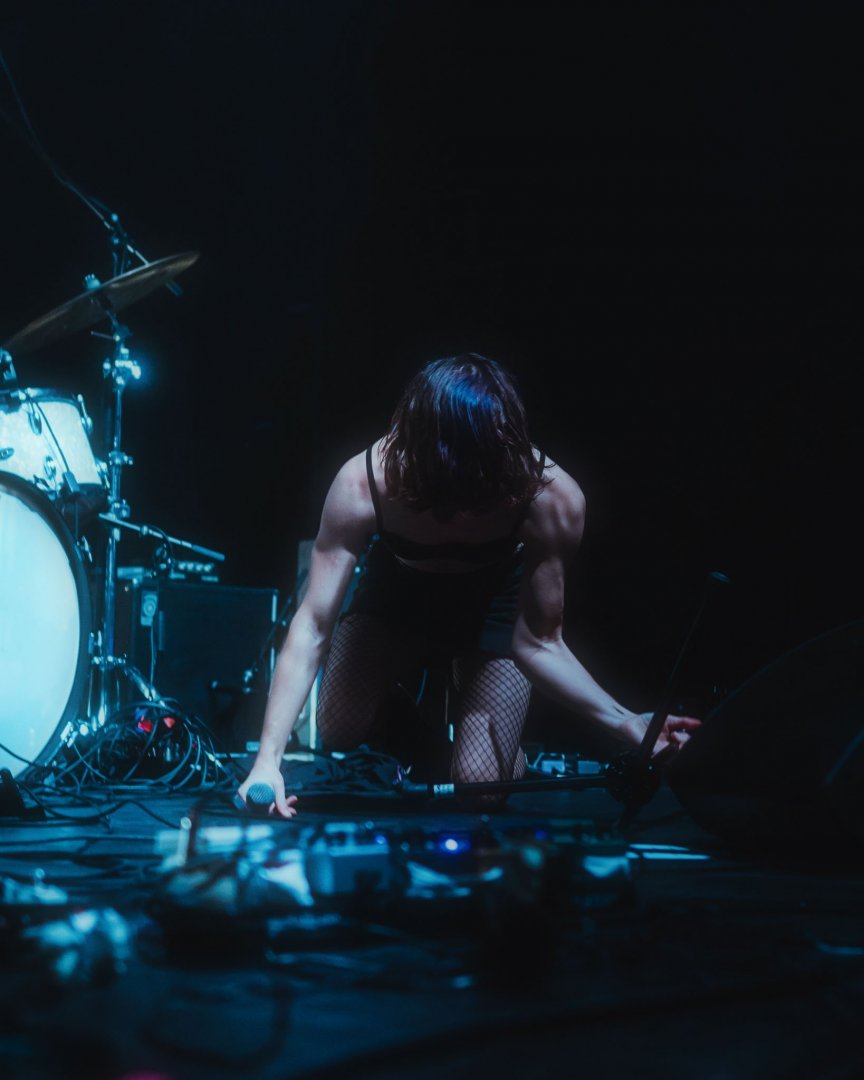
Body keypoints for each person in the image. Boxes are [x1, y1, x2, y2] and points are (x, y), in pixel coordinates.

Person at [237, 353, 699, 817]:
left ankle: (482, 733)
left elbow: (540, 643)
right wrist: (266, 762)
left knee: (481, 787)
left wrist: (627, 724)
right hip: (399, 595)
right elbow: (314, 625)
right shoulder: (364, 483)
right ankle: (436, 745)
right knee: (337, 724)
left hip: (494, 603)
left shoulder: (550, 495)